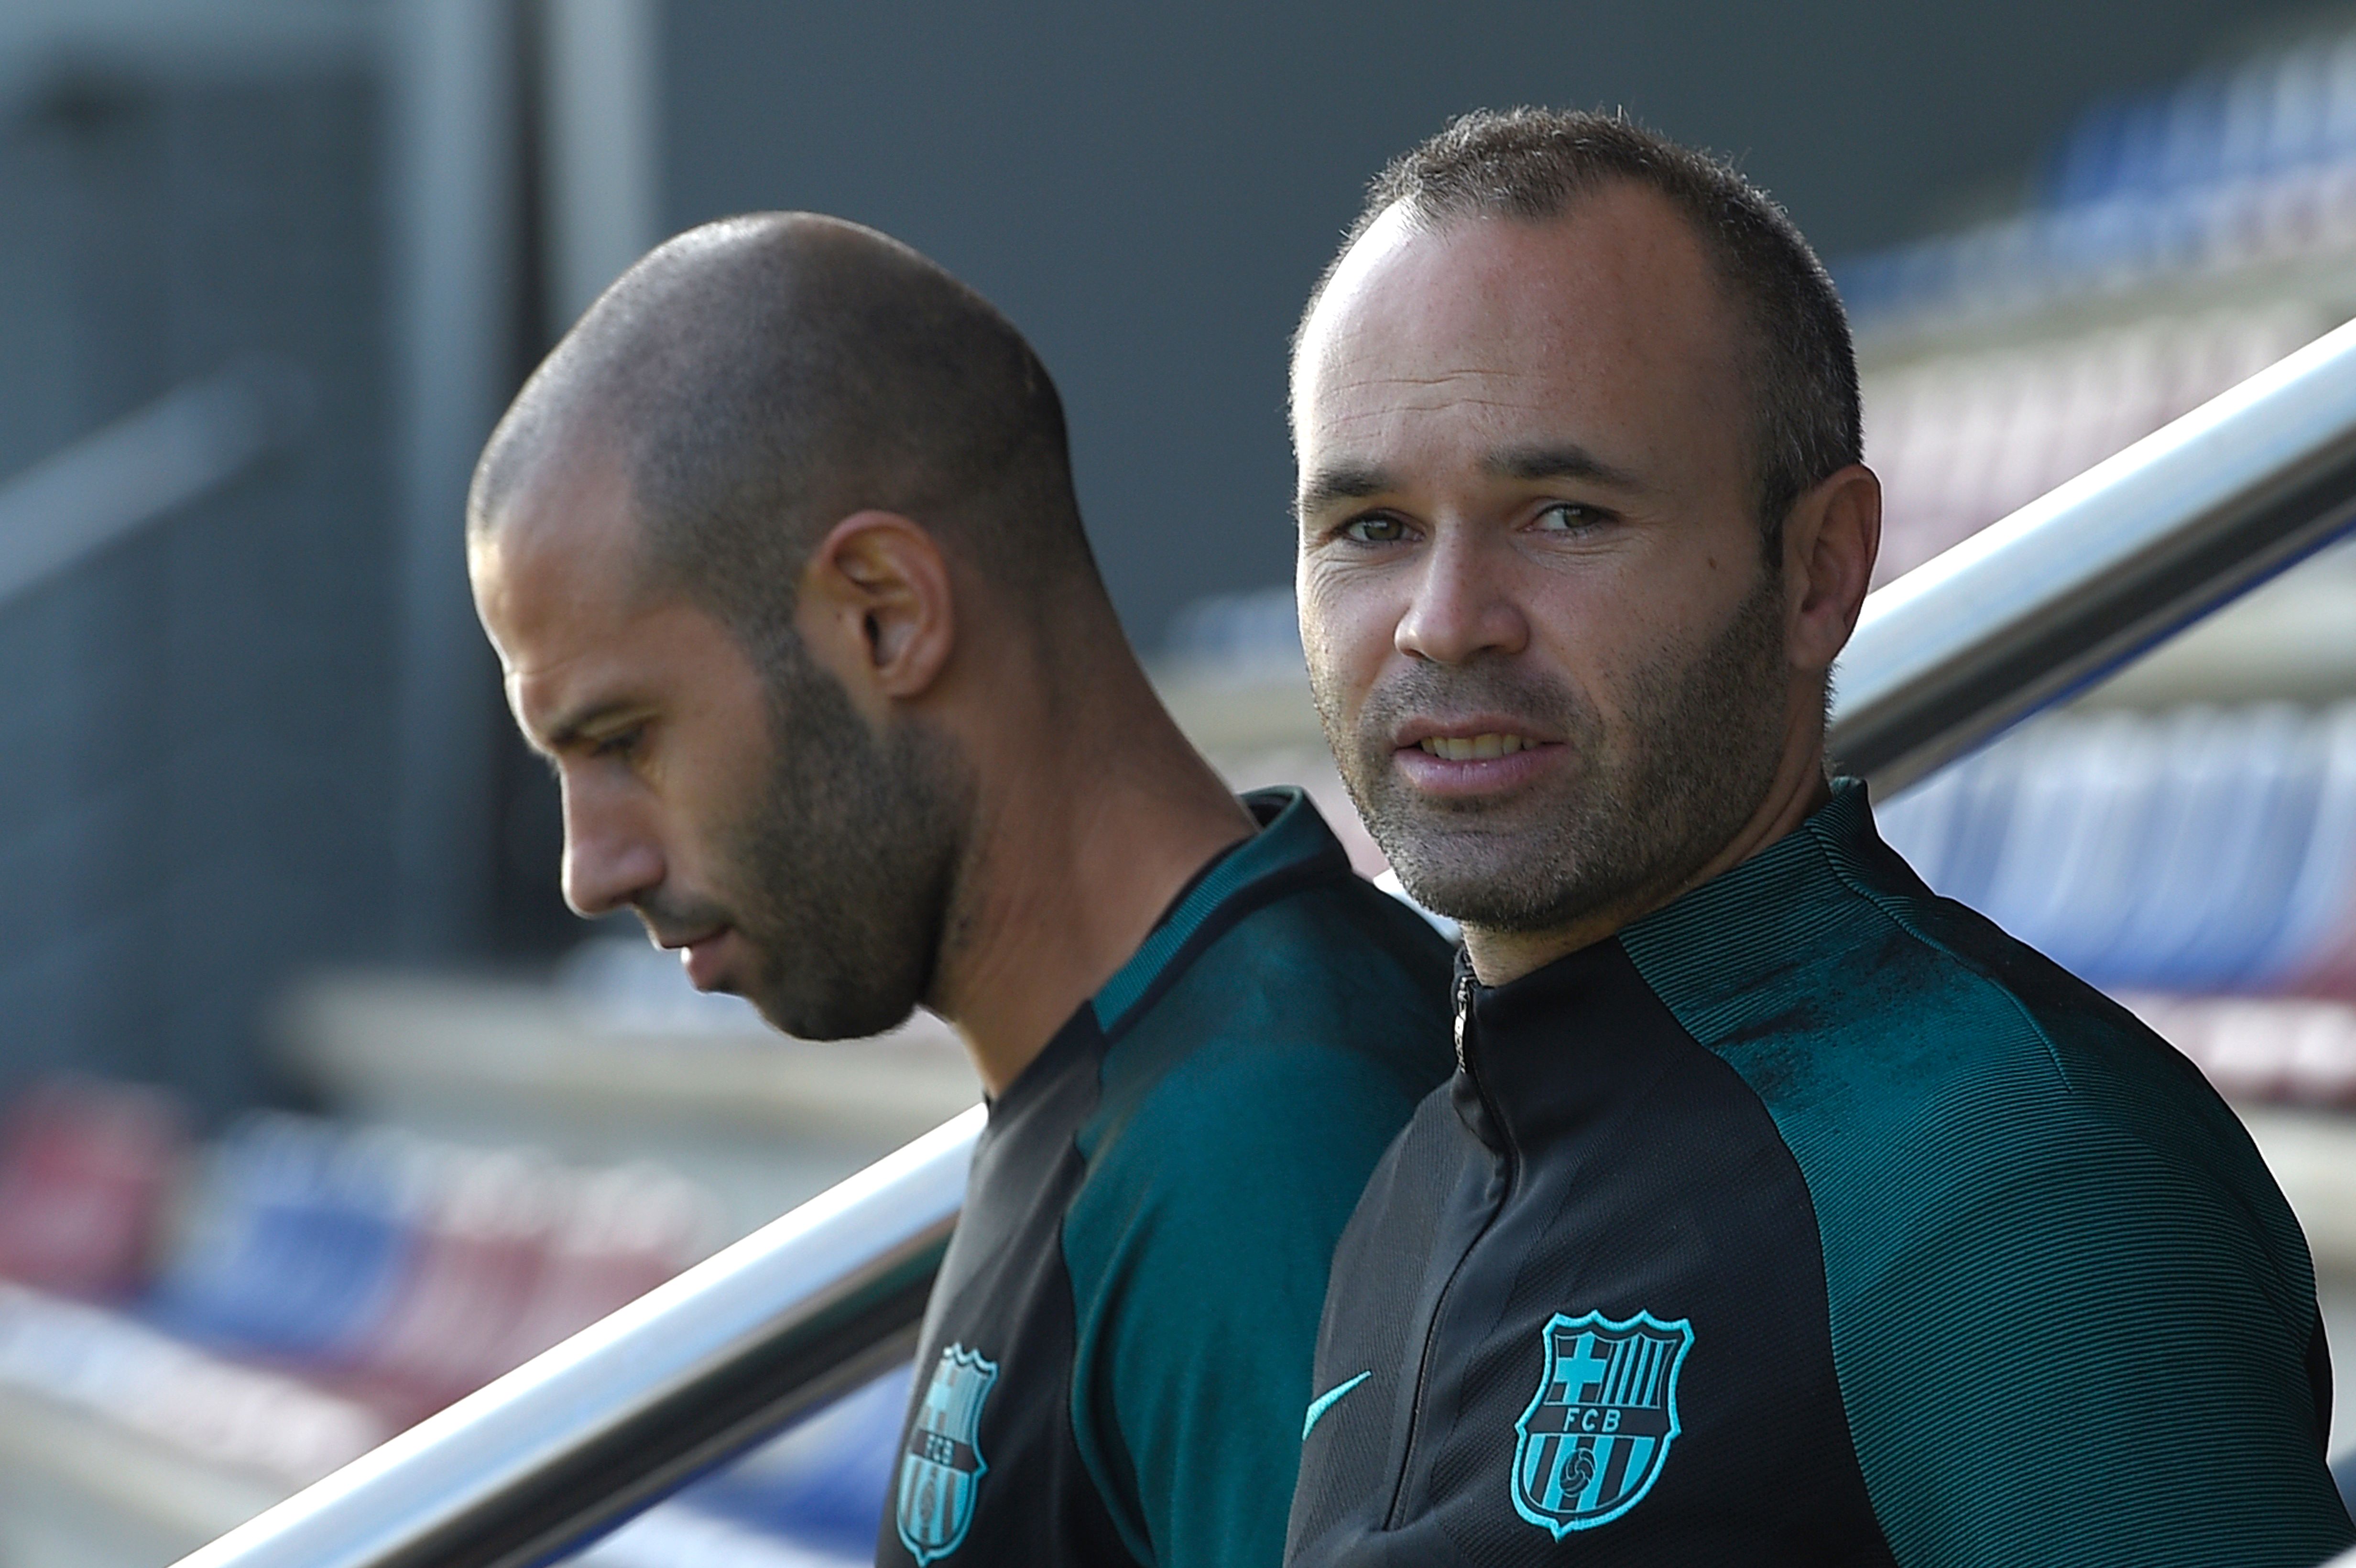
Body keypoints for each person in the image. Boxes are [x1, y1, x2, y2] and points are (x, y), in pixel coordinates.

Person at [1282, 110, 2355, 1568]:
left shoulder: (2023, 1188)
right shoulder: (1418, 1171)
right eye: (1370, 527)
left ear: (1821, 570)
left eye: (1565, 512)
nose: (1443, 619)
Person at [465, 214, 1454, 1568]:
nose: (594, 868)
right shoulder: (1143, 1079)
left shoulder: (1260, 1140)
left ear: (884, 613)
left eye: (626, 737)